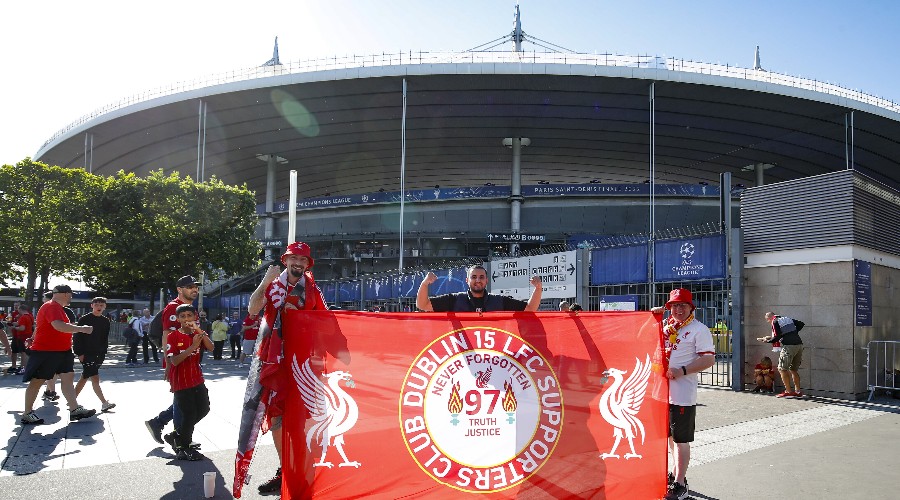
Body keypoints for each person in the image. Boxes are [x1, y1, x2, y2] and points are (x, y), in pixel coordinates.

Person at [242, 241, 328, 496]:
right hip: (273, 362)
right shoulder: (273, 284)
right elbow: (253, 308)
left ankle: (303, 472)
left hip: (303, 364)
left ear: (307, 264)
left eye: (303, 260)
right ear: (285, 260)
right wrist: (265, 281)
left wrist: (300, 316)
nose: (298, 263)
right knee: (276, 418)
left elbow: (325, 323)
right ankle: (285, 471)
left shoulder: (312, 289)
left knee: (302, 420)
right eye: (294, 258)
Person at [650, 288, 715, 500]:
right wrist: (653, 318)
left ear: (690, 307)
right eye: (674, 305)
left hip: (682, 394)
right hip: (661, 392)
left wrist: (683, 370)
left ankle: (680, 484)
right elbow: (641, 337)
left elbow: (709, 359)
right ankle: (675, 473)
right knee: (669, 437)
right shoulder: (665, 326)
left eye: (682, 305)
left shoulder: (699, 329)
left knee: (681, 440)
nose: (678, 309)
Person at [19, 285, 96, 425]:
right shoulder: (51, 306)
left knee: (68, 377)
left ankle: (74, 409)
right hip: (46, 351)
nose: (71, 297)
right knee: (37, 381)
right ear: (65, 294)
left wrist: (32, 337)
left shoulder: (58, 308)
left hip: (63, 351)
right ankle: (27, 413)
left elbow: (43, 326)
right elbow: (59, 326)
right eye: (71, 294)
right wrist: (82, 329)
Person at [145, 276, 200, 446]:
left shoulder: (189, 308)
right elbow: (167, 335)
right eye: (189, 286)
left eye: (196, 286)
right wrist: (169, 363)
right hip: (178, 361)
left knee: (186, 399)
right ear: (179, 289)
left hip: (190, 360)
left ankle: (160, 423)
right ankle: (179, 440)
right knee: (183, 400)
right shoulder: (173, 307)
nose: (194, 289)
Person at [164, 303, 213, 461]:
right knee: (189, 414)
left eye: (189, 315)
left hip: (197, 378)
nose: (186, 319)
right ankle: (184, 447)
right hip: (181, 381)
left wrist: (198, 331)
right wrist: (193, 346)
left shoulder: (198, 333)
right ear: (178, 319)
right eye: (183, 316)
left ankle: (177, 435)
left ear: (195, 317)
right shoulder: (173, 336)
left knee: (204, 409)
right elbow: (175, 361)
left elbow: (211, 347)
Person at [416, 265, 542, 312]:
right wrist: (425, 283)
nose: (478, 280)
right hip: (463, 356)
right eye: (474, 277)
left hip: (493, 357)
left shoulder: (499, 301)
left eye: (481, 277)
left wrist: (538, 288)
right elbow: (422, 305)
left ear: (486, 281)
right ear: (467, 280)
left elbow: (530, 309)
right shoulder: (454, 300)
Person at [73, 297, 116, 412]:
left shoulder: (106, 321)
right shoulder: (84, 319)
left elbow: (104, 338)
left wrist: (103, 352)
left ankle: (71, 400)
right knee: (94, 377)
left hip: (99, 353)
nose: (99, 307)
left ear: (105, 307)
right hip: (86, 353)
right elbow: (77, 337)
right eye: (96, 305)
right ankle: (104, 403)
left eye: (101, 305)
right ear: (92, 305)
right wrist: (79, 353)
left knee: (85, 376)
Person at [757, 312, 805, 398]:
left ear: (770, 318)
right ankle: (798, 391)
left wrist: (767, 341)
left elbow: (777, 337)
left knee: (782, 369)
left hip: (789, 346)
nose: (768, 322)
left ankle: (788, 391)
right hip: (799, 345)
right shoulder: (786, 319)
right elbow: (801, 324)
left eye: (767, 320)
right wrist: (793, 333)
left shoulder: (775, 321)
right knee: (793, 370)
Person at [9, 303, 34, 375]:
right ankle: (25, 368)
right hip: (28, 335)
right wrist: (15, 323)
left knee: (23, 353)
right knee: (26, 352)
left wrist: (14, 327)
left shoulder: (23, 317)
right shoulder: (30, 316)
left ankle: (23, 368)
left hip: (23, 336)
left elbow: (22, 328)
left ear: (21, 309)